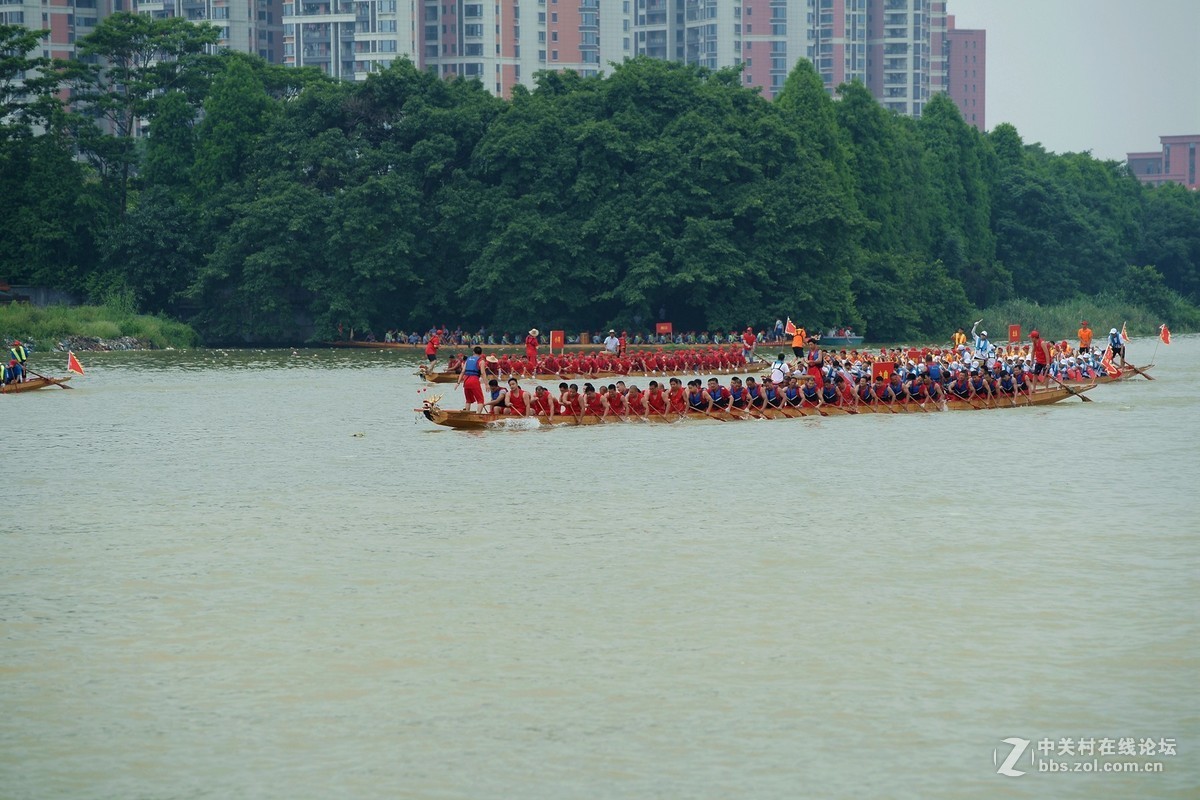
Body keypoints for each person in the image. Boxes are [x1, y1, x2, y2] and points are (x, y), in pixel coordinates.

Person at [456, 346, 487, 411]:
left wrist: (458, 383)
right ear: (481, 353)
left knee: (468, 400)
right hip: (474, 380)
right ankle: (478, 415)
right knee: (480, 400)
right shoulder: (481, 361)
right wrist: (486, 384)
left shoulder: (467, 360)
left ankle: (467, 412)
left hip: (466, 380)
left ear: (473, 352)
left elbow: (462, 371)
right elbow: (483, 373)